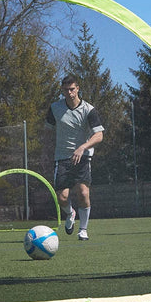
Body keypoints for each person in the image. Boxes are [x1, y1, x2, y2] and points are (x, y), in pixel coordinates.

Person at [45, 75, 104, 241]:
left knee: (83, 193)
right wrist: (45, 152)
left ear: (78, 88)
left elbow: (99, 135)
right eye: (66, 90)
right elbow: (48, 131)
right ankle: (70, 213)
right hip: (62, 158)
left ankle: (83, 229)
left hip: (83, 157)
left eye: (72, 89)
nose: (69, 93)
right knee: (62, 197)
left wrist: (82, 147)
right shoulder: (55, 108)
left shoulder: (89, 110)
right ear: (62, 90)